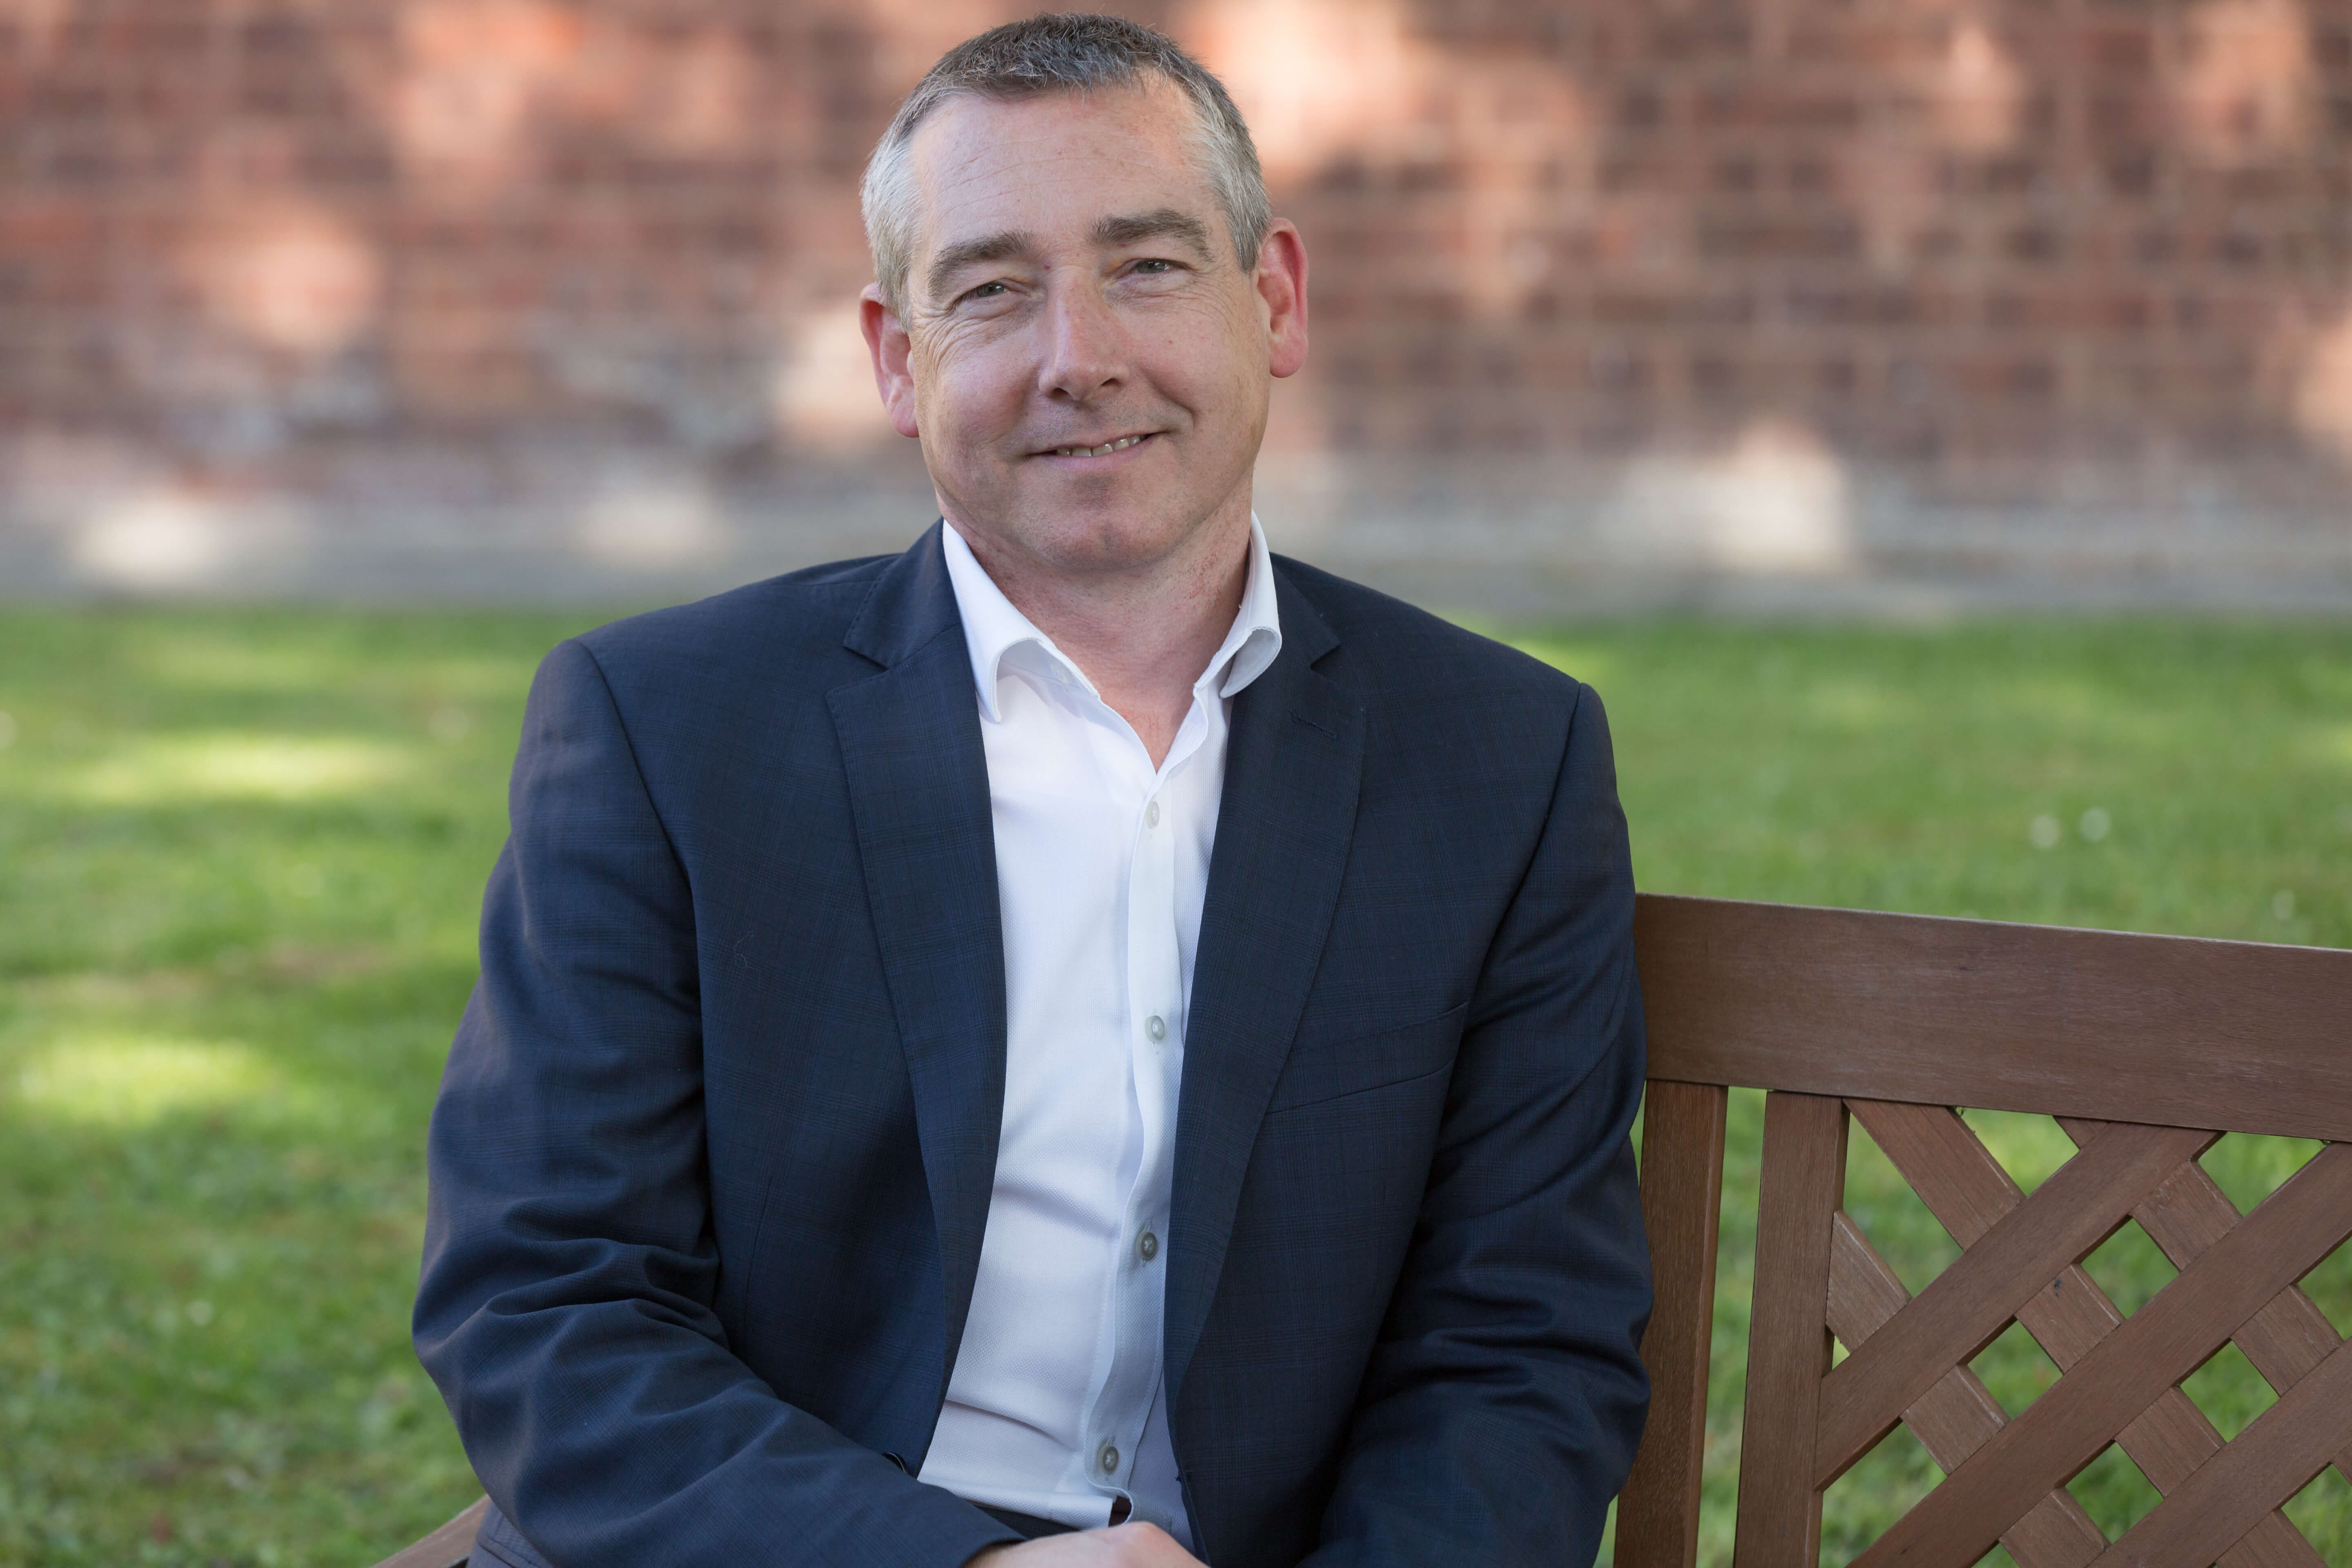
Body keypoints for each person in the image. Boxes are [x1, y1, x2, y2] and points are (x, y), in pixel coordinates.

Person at [414, 15, 1650, 1568]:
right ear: (895, 359)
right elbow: (546, 1304)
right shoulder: (664, 729)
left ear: (1273, 299)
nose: (1082, 359)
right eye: (993, 290)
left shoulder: (1499, 759)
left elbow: (1523, 1345)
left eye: (1147, 267)